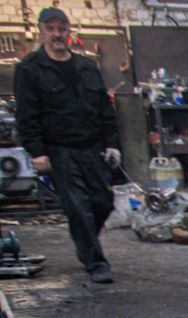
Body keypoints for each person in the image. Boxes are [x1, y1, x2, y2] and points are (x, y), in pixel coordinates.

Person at [14, 8, 121, 284]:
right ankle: (96, 263)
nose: (57, 34)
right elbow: (27, 115)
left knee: (103, 202)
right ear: (42, 32)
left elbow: (104, 109)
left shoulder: (86, 67)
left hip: (91, 147)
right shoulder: (29, 70)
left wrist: (112, 144)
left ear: (69, 31)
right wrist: (36, 151)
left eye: (61, 28)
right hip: (59, 150)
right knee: (78, 208)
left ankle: (84, 242)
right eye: (50, 29)